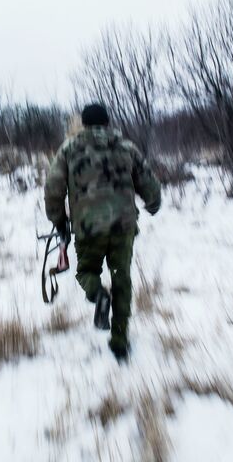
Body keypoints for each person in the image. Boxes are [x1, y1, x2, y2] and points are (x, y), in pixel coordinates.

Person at [44, 103, 161, 361]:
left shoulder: (69, 150)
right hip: (123, 227)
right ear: (108, 122)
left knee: (86, 272)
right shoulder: (126, 148)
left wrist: (60, 220)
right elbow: (148, 182)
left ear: (84, 124)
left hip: (88, 229)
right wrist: (153, 203)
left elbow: (53, 189)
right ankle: (119, 341)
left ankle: (98, 294)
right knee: (122, 278)